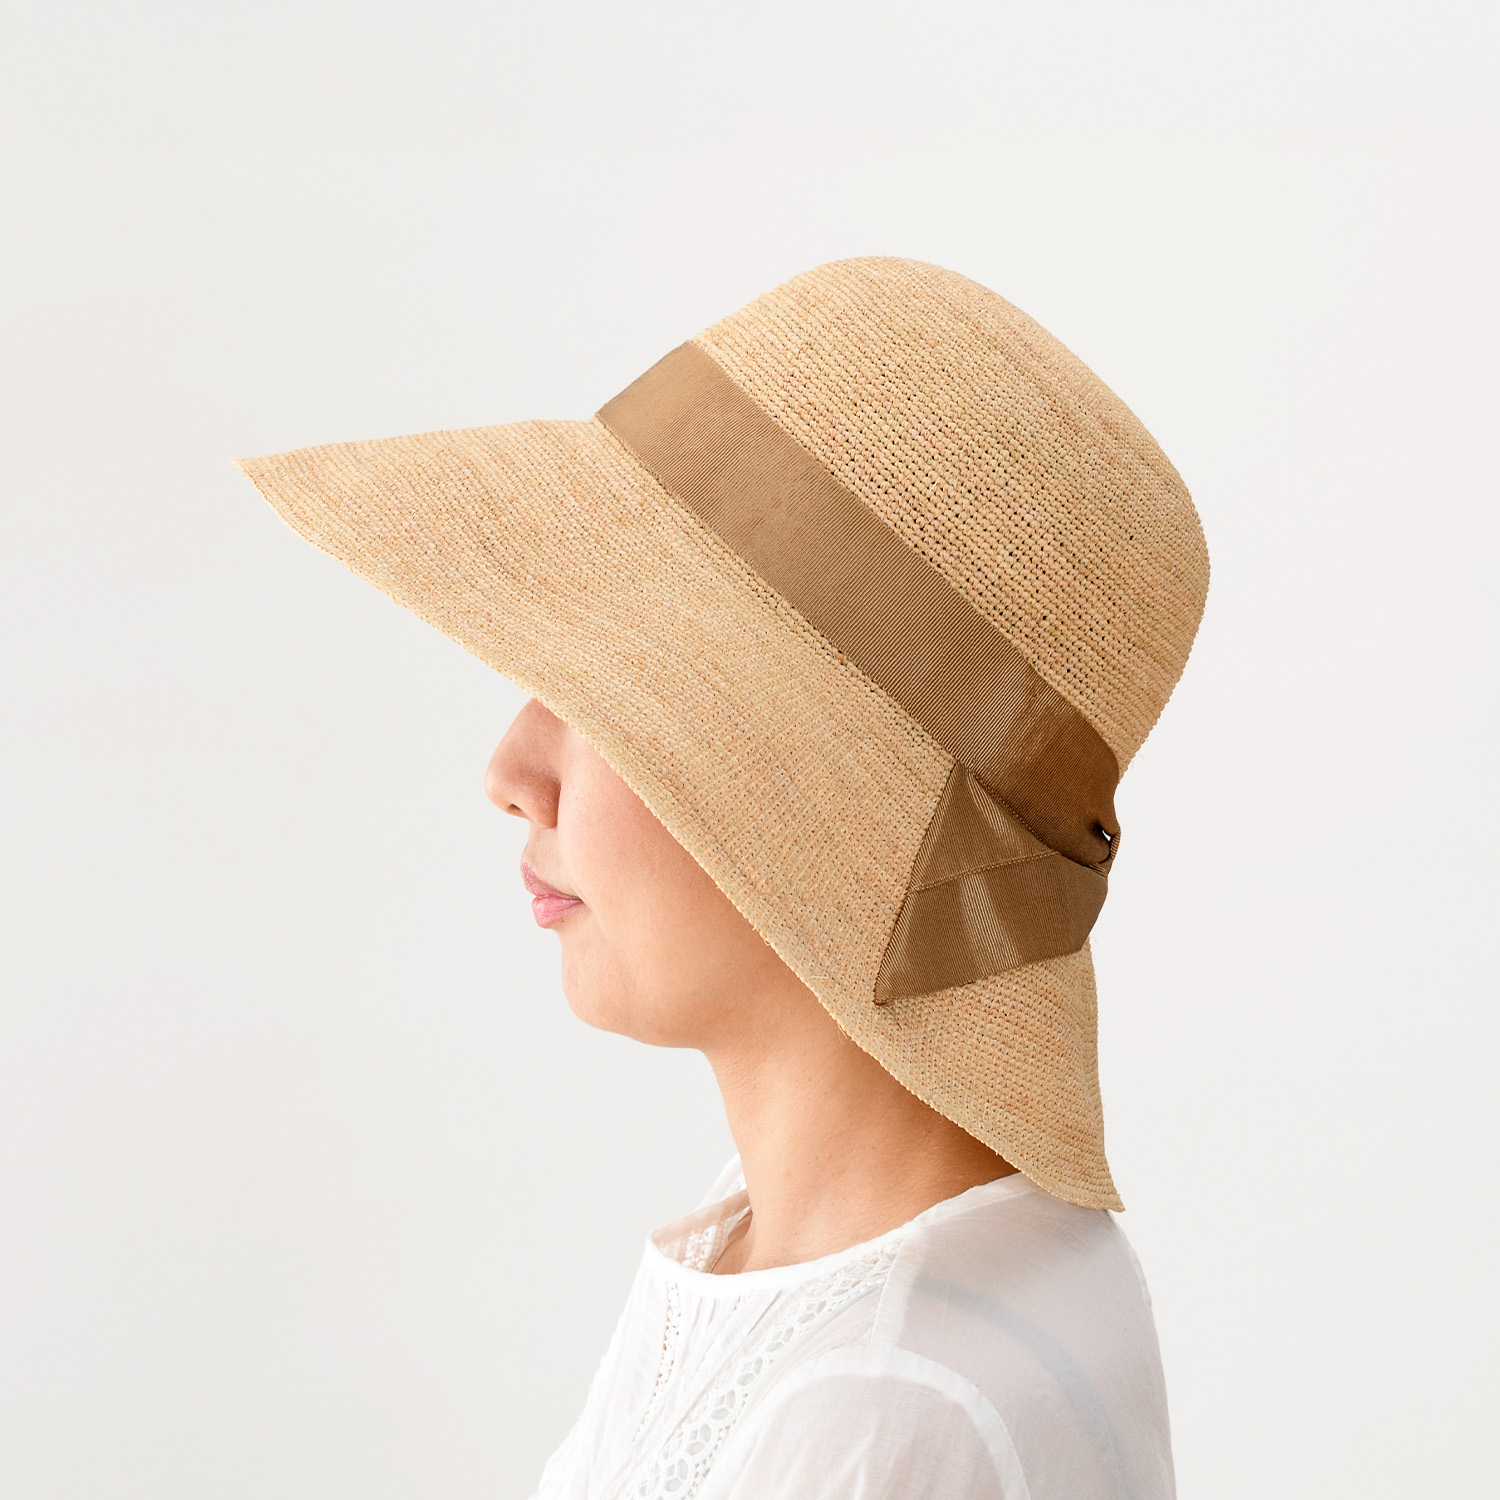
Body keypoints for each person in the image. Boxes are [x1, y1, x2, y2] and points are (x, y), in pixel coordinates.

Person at [238, 256, 1210, 1498]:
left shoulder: (881, 1405)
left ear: (815, 797)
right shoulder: (808, 1251)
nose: (511, 772)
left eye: (605, 697)